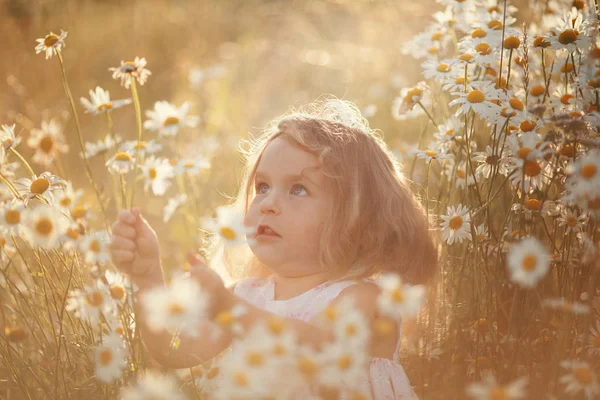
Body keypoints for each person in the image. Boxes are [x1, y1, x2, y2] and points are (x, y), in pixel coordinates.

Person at [109, 98, 439, 399]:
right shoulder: (247, 296)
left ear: (358, 219)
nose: (268, 203)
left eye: (298, 189)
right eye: (263, 186)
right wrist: (148, 277)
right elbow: (174, 351)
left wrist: (230, 310)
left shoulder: (364, 299)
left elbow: (320, 351)